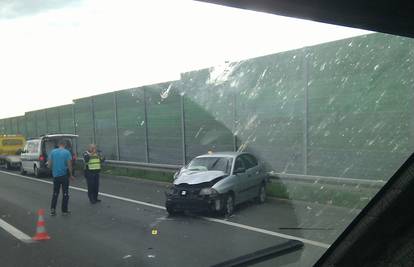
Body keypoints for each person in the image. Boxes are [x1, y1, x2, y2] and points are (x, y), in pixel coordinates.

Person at [48, 139, 75, 216]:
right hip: (64, 176)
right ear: (65, 145)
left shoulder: (53, 152)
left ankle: (53, 210)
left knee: (55, 193)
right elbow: (69, 164)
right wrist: (71, 174)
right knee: (65, 193)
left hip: (56, 176)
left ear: (58, 144)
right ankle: (64, 210)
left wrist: (52, 169)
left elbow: (49, 164)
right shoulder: (67, 152)